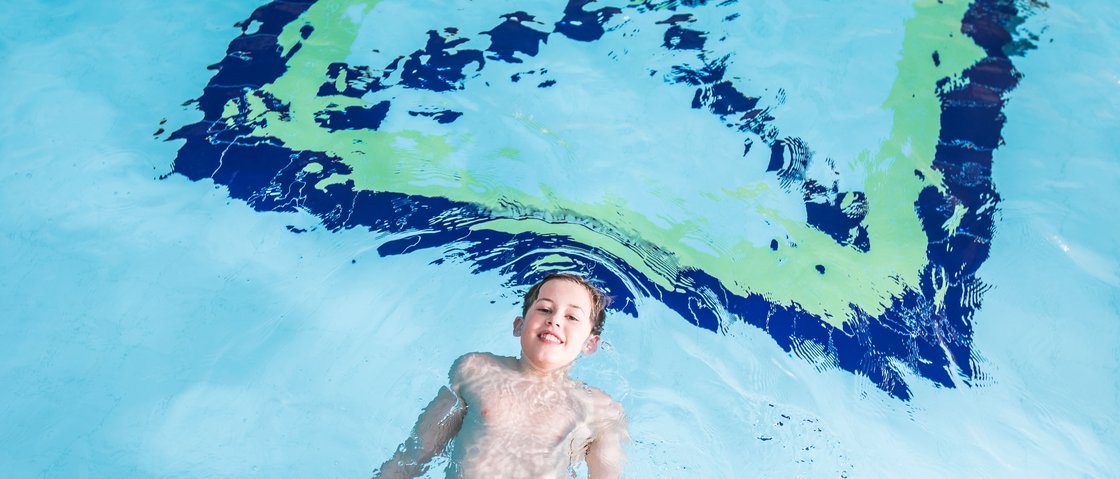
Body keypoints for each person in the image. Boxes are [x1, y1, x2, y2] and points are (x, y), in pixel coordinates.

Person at [374, 273, 629, 478]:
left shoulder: (599, 410)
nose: (555, 321)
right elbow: (417, 452)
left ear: (590, 344)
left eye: (572, 316)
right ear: (519, 325)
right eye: (544, 309)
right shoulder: (477, 371)